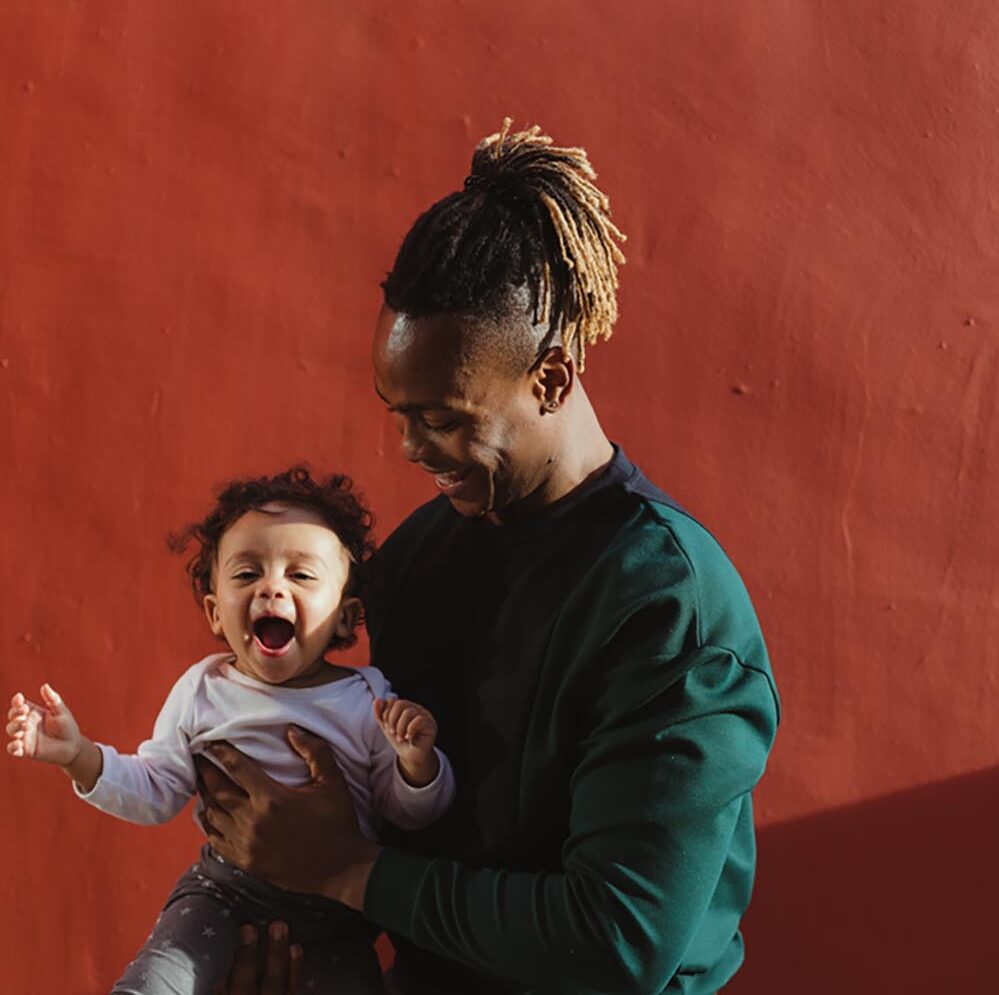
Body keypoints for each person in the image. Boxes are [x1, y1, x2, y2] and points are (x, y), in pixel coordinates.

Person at [196, 120, 781, 995]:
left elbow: (619, 941)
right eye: (395, 411)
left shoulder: (667, 605)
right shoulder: (414, 559)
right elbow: (382, 810)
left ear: (548, 378)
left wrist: (348, 871)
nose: (407, 447)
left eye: (442, 418)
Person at [5, 467, 455, 995]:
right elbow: (155, 790)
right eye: (247, 575)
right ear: (217, 614)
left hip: (340, 910)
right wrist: (78, 755)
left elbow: (405, 813)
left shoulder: (367, 700)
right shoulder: (202, 690)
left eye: (301, 576)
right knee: (157, 978)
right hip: (222, 890)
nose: (271, 588)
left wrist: (417, 766)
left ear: (344, 617)